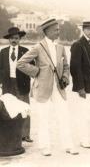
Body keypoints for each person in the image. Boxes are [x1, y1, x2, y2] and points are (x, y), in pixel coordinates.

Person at [17, 18, 78, 156]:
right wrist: (37, 72)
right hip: (43, 88)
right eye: (56, 30)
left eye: (58, 29)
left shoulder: (61, 47)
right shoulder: (38, 47)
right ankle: (45, 147)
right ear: (47, 31)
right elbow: (21, 63)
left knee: (64, 116)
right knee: (43, 118)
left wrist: (65, 78)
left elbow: (66, 67)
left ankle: (68, 145)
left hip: (59, 88)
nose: (58, 32)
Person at [0, 27, 33, 143]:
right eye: (12, 38)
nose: (14, 40)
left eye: (16, 38)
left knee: (25, 108)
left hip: (22, 83)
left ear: (20, 39)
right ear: (9, 39)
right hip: (8, 84)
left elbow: (32, 67)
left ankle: (25, 134)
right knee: (8, 108)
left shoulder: (26, 51)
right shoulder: (3, 52)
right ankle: (11, 133)